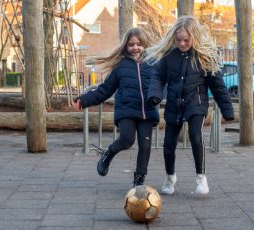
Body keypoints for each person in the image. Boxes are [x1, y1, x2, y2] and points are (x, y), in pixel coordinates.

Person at [145, 16, 234, 195]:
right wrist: (155, 95)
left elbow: (217, 85)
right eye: (179, 40)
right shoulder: (169, 56)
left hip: (196, 104)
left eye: (186, 40)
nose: (182, 43)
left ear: (194, 37)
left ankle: (201, 177)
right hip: (174, 105)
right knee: (168, 144)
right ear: (173, 38)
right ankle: (170, 177)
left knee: (195, 137)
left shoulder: (204, 57)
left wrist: (227, 110)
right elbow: (158, 78)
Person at [74, 28, 159, 187]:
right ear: (125, 46)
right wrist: (84, 100)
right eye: (131, 44)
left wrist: (160, 95)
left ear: (145, 45)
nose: (135, 48)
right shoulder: (121, 66)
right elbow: (105, 90)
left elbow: (162, 84)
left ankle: (139, 180)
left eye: (139, 44)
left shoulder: (153, 64)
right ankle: (108, 153)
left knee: (145, 144)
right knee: (127, 139)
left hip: (147, 111)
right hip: (126, 110)